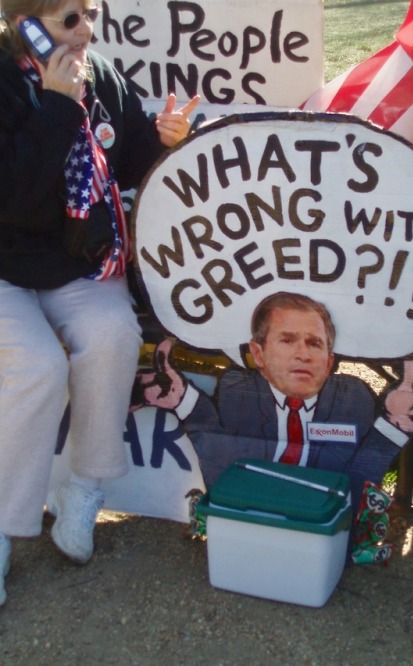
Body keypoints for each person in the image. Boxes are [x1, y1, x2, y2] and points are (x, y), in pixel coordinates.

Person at [0, 0, 200, 606]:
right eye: (67, 19)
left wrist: (166, 139)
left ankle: (83, 488)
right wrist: (58, 107)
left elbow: (127, 158)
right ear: (23, 23)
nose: (84, 30)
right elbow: (12, 197)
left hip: (73, 264)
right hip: (4, 267)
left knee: (114, 336)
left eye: (90, 13)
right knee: (37, 366)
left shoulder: (101, 76)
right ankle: (5, 524)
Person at [135, 292, 413, 514]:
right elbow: (219, 461)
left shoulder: (355, 402)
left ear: (330, 361)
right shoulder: (237, 395)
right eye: (287, 340)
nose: (303, 353)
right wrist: (185, 403)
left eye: (315, 344)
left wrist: (394, 427)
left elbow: (353, 489)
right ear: (259, 354)